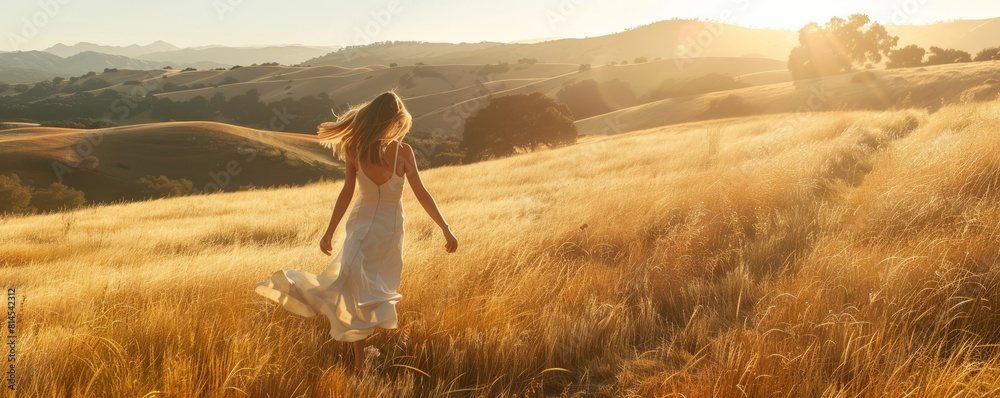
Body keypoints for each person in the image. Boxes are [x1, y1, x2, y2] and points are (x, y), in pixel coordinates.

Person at [254, 90, 458, 374]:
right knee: (356, 289)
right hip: (387, 229)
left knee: (354, 289)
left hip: (362, 226)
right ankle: (361, 362)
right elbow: (421, 193)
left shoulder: (354, 147)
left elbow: (348, 193)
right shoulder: (401, 151)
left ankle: (359, 356)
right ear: (393, 120)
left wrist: (330, 231)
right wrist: (446, 229)